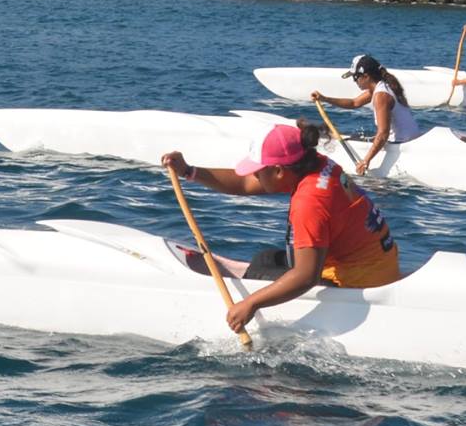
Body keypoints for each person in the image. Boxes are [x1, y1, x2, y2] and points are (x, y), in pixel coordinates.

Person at [161, 123, 401, 333]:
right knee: (265, 259)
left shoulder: (310, 202)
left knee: (259, 274)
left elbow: (307, 277)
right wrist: (188, 171)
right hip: (379, 264)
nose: (254, 175)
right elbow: (244, 183)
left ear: (278, 171)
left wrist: (251, 303)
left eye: (258, 170)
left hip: (358, 283)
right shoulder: (316, 164)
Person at [311, 54, 420, 176]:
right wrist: (325, 99)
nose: (355, 81)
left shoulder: (381, 96)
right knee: (361, 136)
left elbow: (383, 134)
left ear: (366, 76)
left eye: (355, 77)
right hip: (411, 139)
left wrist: (366, 160)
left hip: (401, 145)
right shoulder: (383, 86)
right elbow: (354, 102)